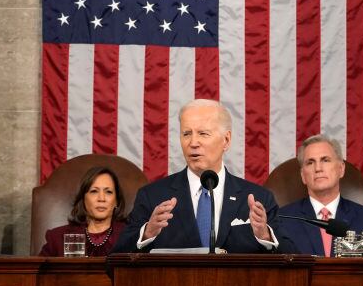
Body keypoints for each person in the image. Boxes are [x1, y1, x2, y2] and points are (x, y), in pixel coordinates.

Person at [114, 99, 289, 253]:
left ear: (226, 141)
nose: (193, 143)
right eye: (186, 134)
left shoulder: (259, 199)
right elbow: (115, 260)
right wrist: (147, 233)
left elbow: (291, 258)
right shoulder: (152, 197)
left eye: (203, 134)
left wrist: (265, 235)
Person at [278, 133, 363, 257]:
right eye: (310, 163)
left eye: (325, 160)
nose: (318, 168)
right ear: (303, 175)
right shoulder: (282, 220)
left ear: (341, 169)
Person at [39, 166, 127, 257]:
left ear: (117, 200)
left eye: (108, 192)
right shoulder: (57, 238)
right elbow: (36, 270)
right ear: (83, 199)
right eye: (94, 191)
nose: (101, 198)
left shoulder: (132, 237)